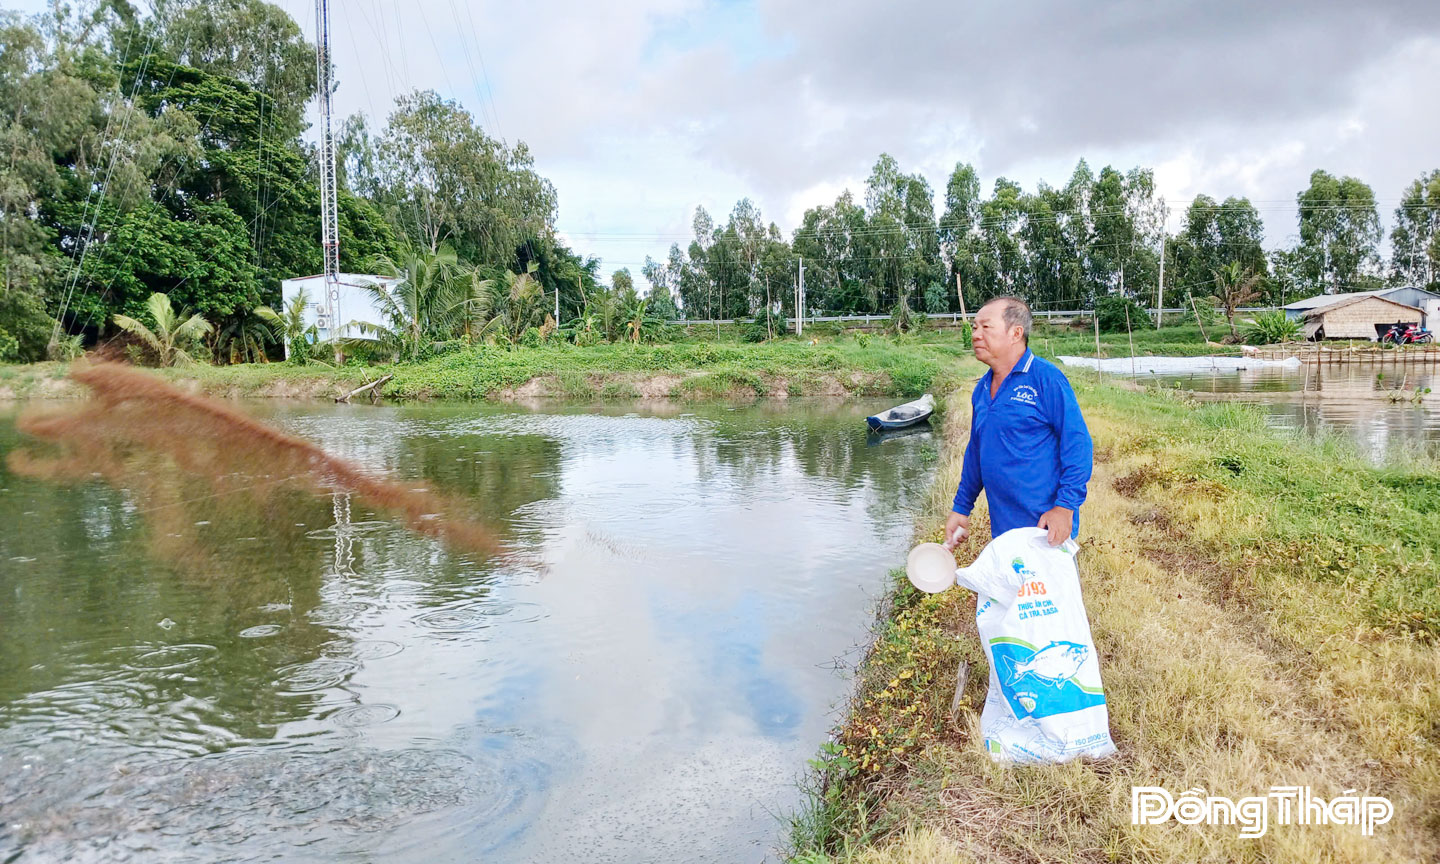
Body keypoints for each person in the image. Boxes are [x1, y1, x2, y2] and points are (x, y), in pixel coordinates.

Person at [944, 297, 1092, 549]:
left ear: (1016, 333)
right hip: (1004, 532)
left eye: (986, 327)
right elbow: (977, 450)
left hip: (1045, 530)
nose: (976, 335)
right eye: (974, 327)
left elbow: (1077, 444)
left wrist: (1065, 507)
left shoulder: (1046, 379)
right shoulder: (982, 389)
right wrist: (961, 507)